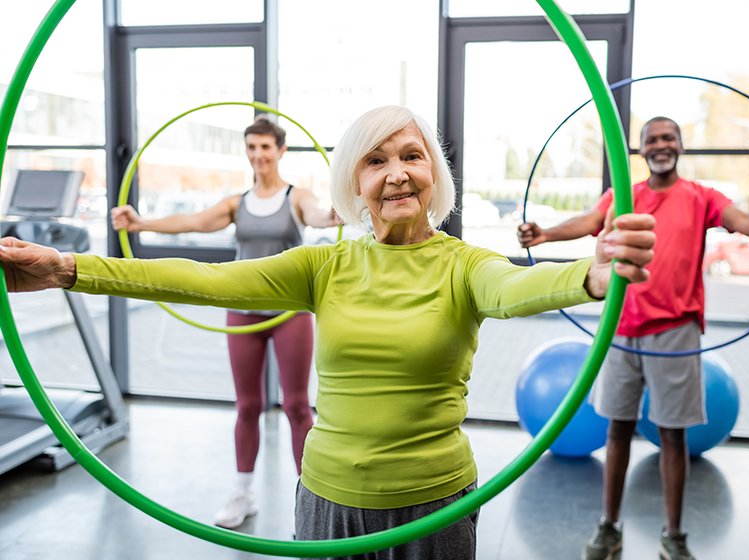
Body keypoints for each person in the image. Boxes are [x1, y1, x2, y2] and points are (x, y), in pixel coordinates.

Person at [0, 105, 655, 560]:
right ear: (355, 184)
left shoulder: (465, 265)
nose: (396, 171)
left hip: (435, 506)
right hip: (328, 501)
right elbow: (204, 281)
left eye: (411, 156)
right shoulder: (325, 265)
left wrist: (595, 274)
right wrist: (67, 268)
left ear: (435, 175)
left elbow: (517, 290)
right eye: (375, 161)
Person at [518, 116, 749, 560]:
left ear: (680, 146)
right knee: (618, 430)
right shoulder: (625, 195)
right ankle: (609, 527)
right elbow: (589, 221)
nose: (660, 145)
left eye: (668, 138)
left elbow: (744, 220)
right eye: (651, 140)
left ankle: (673, 535)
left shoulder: (701, 196)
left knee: (673, 435)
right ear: (642, 150)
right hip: (620, 328)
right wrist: (544, 233)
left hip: (675, 331)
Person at [110, 116, 339, 529]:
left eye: (266, 147)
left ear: (280, 151)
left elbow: (319, 215)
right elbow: (193, 221)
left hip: (290, 311)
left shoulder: (295, 196)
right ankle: (242, 493)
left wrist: (331, 216)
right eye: (252, 147)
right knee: (247, 405)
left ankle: (311, 500)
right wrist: (140, 222)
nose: (258, 155)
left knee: (297, 405)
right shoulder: (238, 203)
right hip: (243, 310)